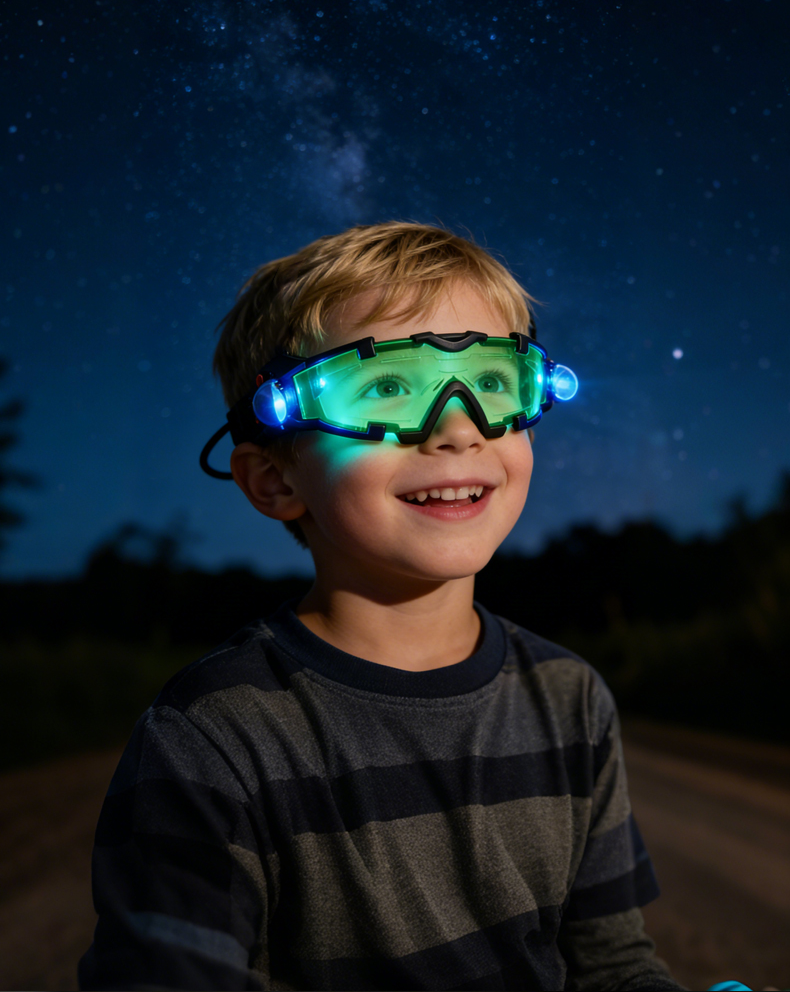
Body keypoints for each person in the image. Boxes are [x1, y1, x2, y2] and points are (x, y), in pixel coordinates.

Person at [79, 221, 688, 991]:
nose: (457, 426)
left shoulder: (571, 698)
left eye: (494, 380)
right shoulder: (214, 736)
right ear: (275, 480)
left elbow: (611, 965)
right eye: (390, 387)